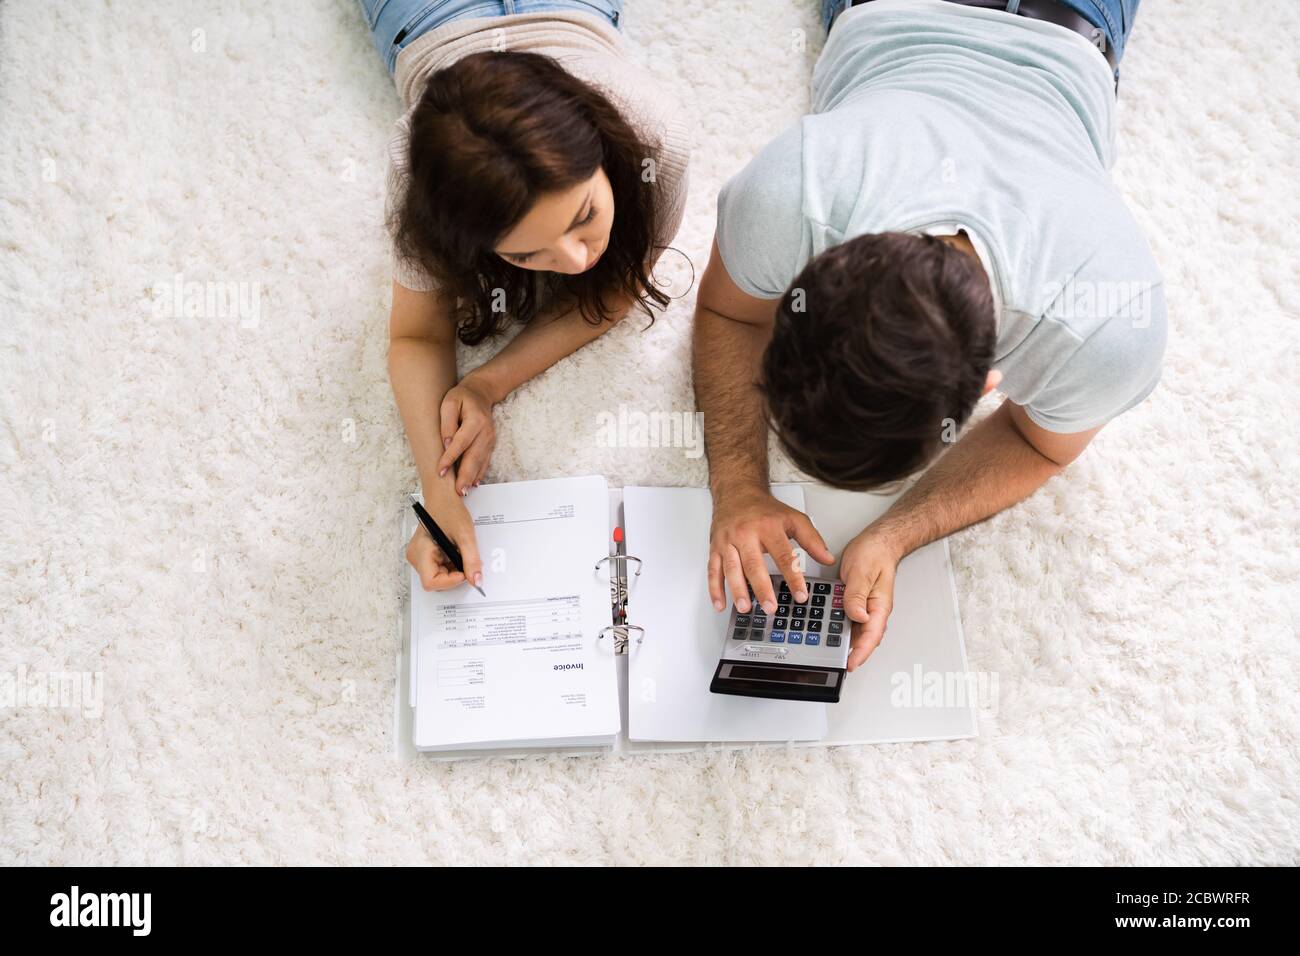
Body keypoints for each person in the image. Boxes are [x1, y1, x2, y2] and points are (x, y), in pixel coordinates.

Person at [693, 0, 1164, 669]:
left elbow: (1040, 447)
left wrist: (898, 532)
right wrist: (739, 487)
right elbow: (732, 315)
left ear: (987, 388)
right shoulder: (786, 196)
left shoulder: (1109, 326)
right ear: (806, 277)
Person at [362, 0, 690, 590]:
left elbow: (618, 288)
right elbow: (415, 333)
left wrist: (490, 382)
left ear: (599, 146)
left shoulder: (654, 142)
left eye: (584, 214)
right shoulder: (418, 175)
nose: (577, 259)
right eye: (524, 254)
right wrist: (439, 494)